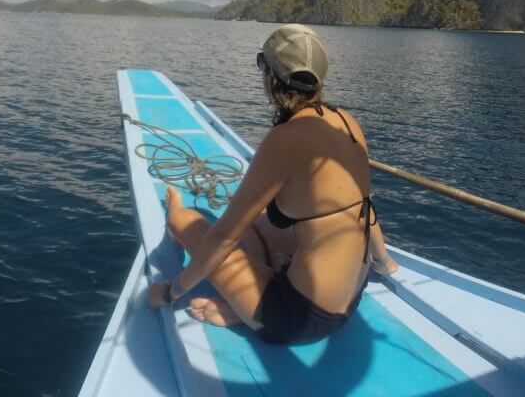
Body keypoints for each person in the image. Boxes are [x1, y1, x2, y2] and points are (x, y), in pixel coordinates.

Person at [148, 23, 399, 345]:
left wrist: (170, 292)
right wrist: (383, 261)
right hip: (350, 299)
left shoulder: (285, 137)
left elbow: (224, 238)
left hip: (298, 319)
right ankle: (245, 305)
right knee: (256, 220)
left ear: (271, 77)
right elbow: (365, 206)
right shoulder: (346, 123)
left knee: (185, 221)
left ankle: (248, 312)